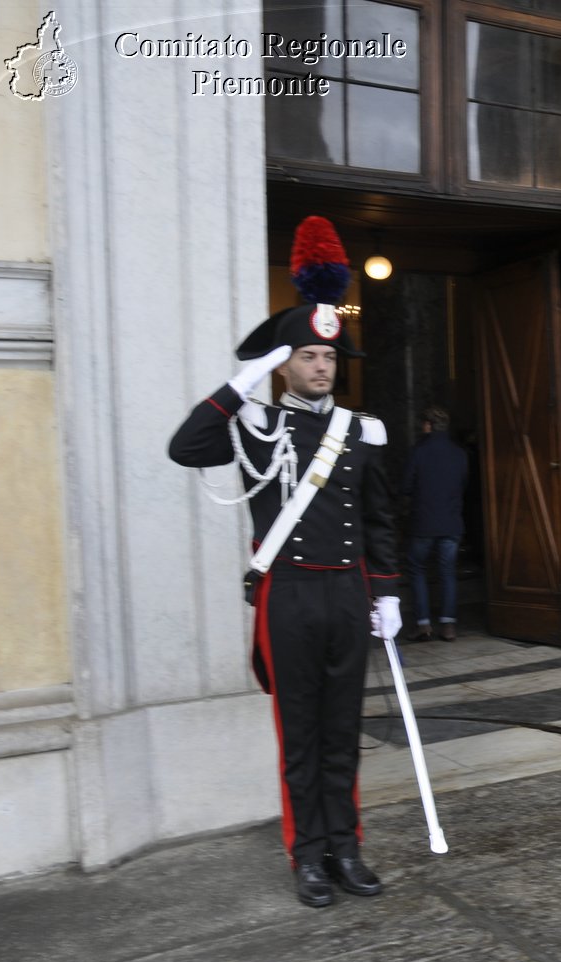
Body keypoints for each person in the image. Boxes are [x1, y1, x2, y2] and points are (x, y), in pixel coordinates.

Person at [168, 216, 400, 909]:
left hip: (347, 595)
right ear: (285, 363)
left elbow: (382, 521)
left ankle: (347, 845)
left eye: (329, 358)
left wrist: (387, 592)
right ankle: (307, 854)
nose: (322, 367)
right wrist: (244, 383)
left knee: (342, 732)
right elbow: (186, 446)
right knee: (299, 734)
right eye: (306, 356)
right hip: (288, 595)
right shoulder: (257, 427)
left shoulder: (360, 431)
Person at [402, 404, 469, 643]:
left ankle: (423, 625)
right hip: (451, 522)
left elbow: (406, 487)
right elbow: (463, 485)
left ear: (428, 426)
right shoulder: (459, 453)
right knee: (447, 572)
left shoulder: (418, 452)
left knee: (417, 569)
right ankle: (448, 625)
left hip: (424, 523)